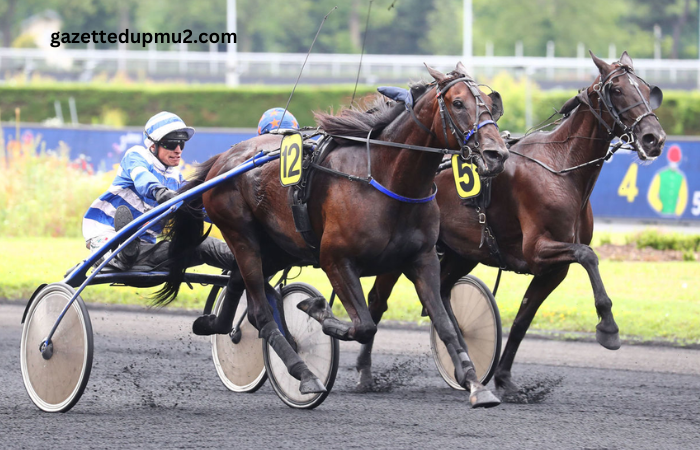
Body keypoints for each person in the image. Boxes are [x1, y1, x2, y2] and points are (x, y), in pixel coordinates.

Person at [82, 111, 234, 272]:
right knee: (121, 248)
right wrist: (160, 192)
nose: (178, 149)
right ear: (152, 145)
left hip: (145, 249)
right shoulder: (137, 156)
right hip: (105, 234)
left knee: (205, 246)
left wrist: (230, 217)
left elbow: (202, 210)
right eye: (171, 144)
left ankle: (251, 262)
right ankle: (119, 253)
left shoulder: (176, 179)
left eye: (181, 143)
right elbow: (142, 178)